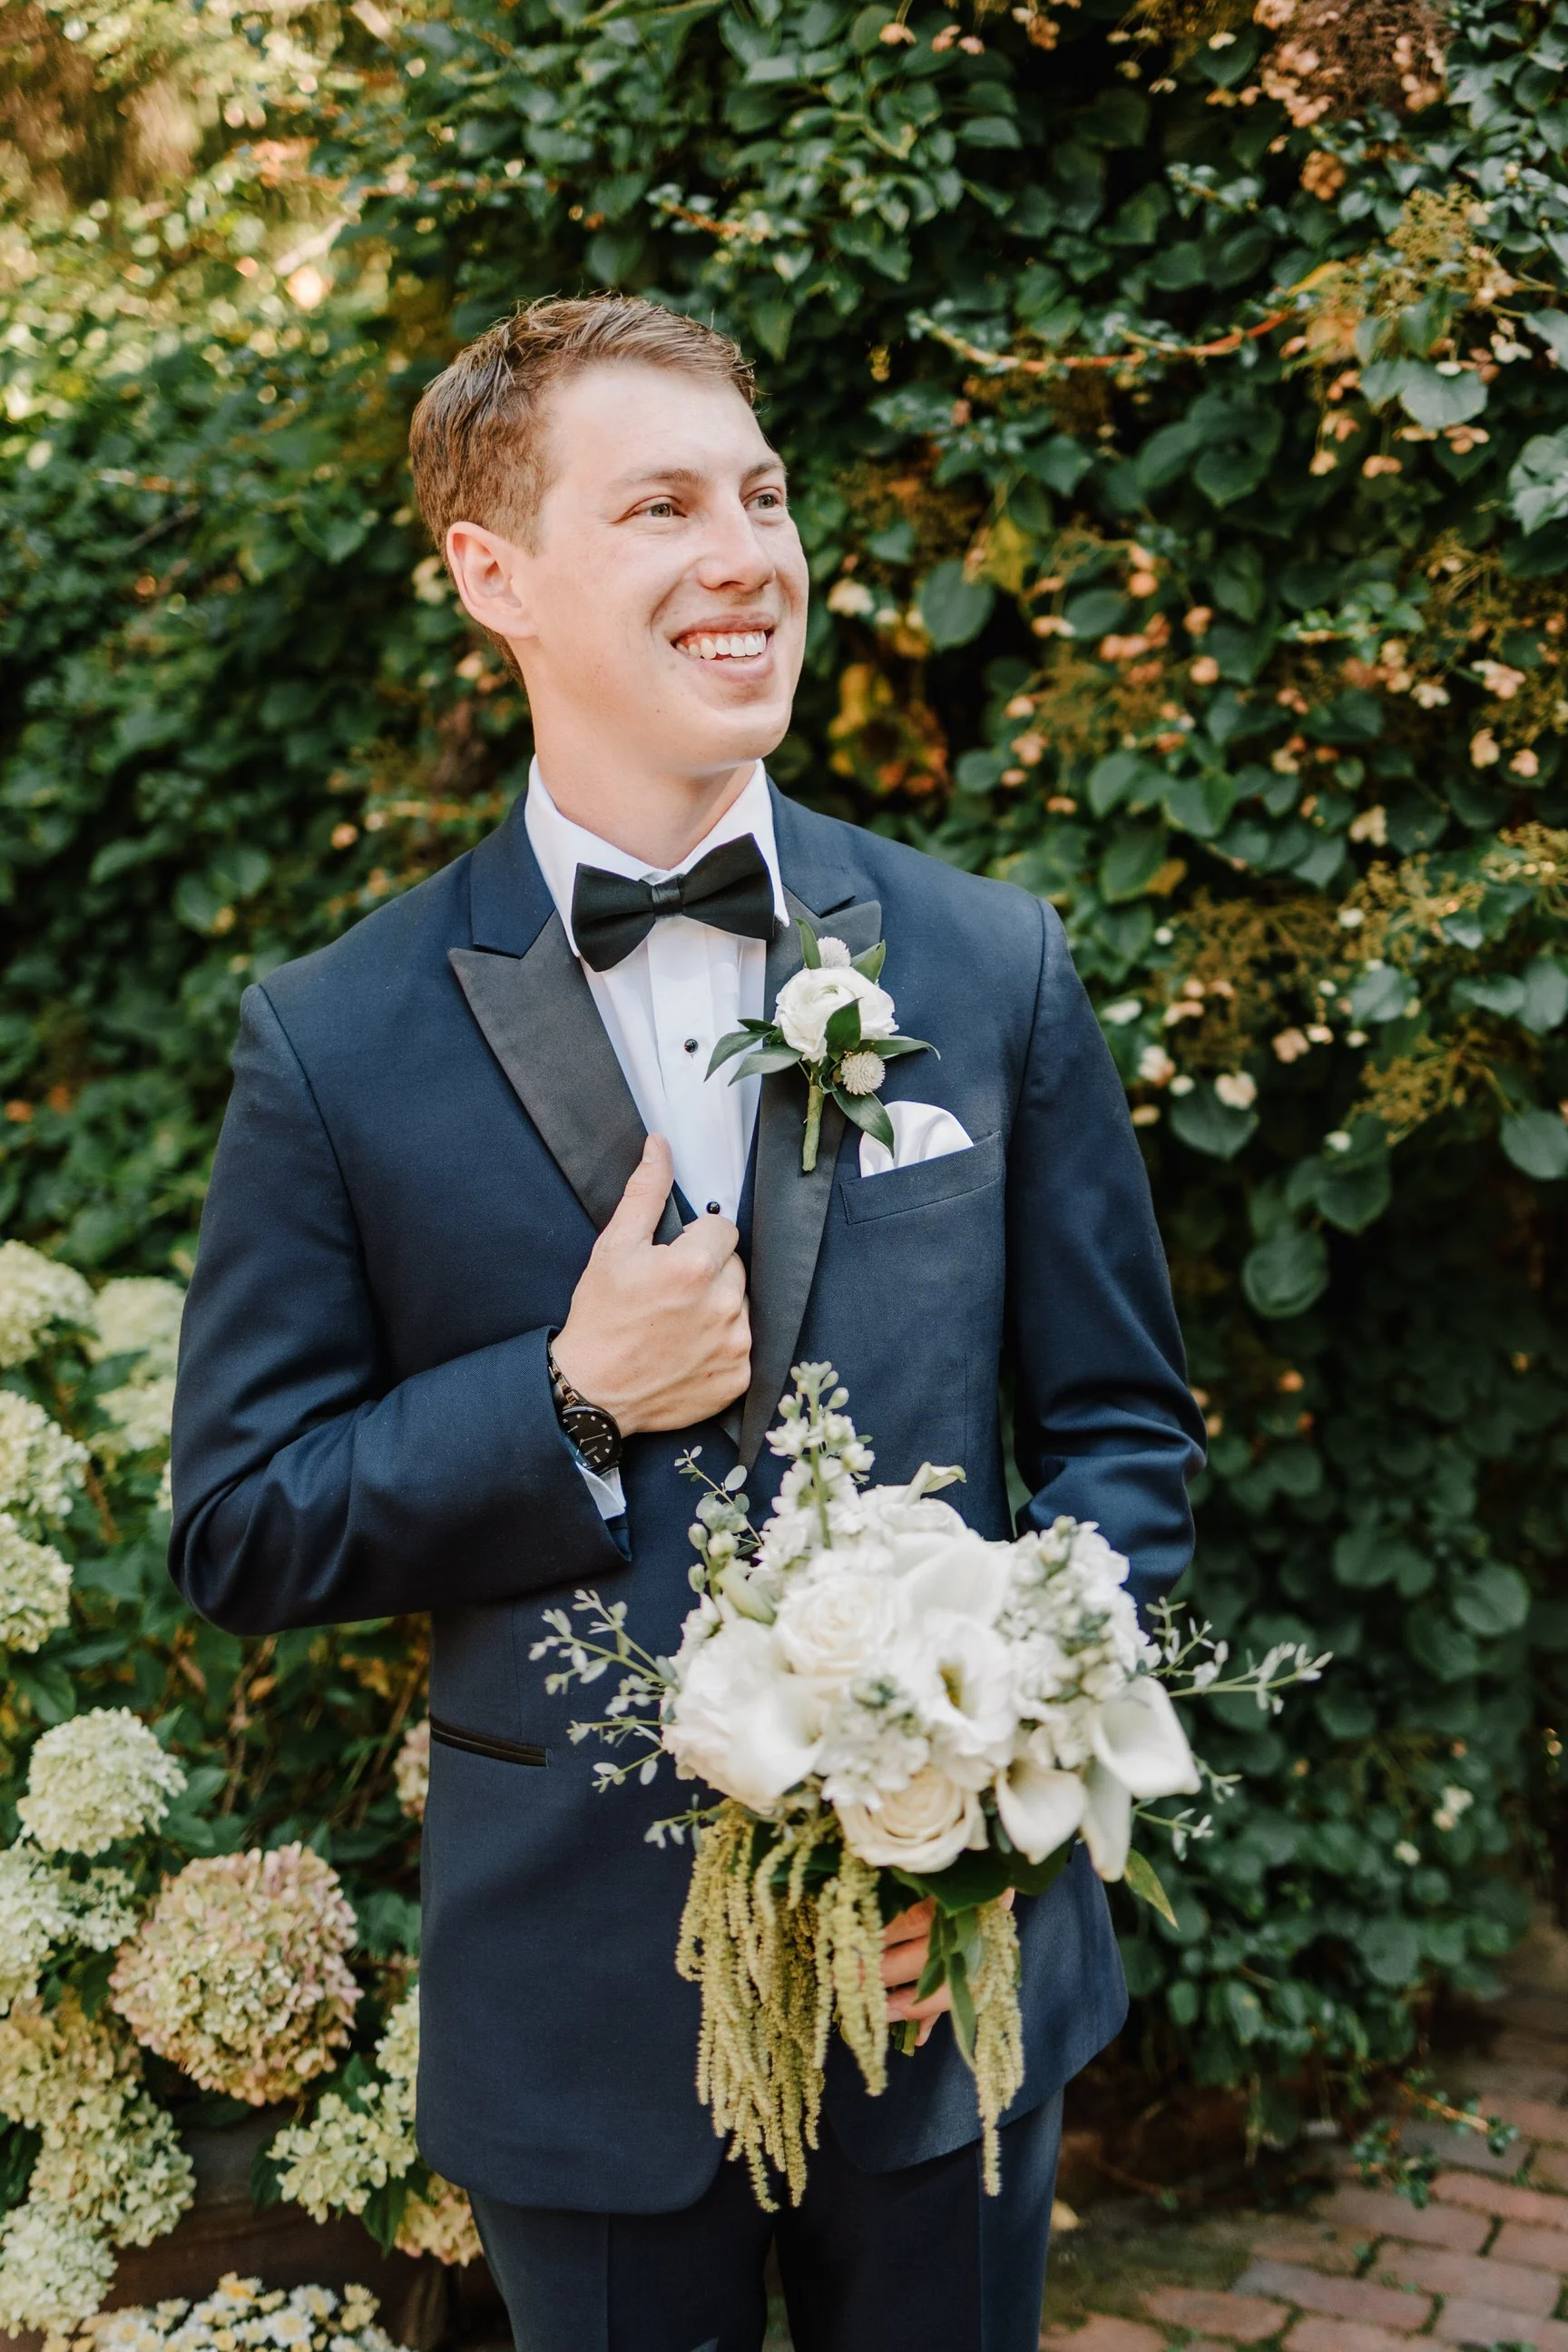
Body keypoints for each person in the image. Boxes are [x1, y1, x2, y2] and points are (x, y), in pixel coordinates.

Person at [170, 294, 1204, 2352]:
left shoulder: (990, 966)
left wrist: (1004, 1812)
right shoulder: (335, 1039)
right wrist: (566, 1396)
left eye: (762, 492)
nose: (748, 551)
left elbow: (1121, 1435)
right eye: (661, 505)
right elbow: (244, 1524)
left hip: (948, 1988)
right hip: (582, 2006)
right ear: (495, 576)